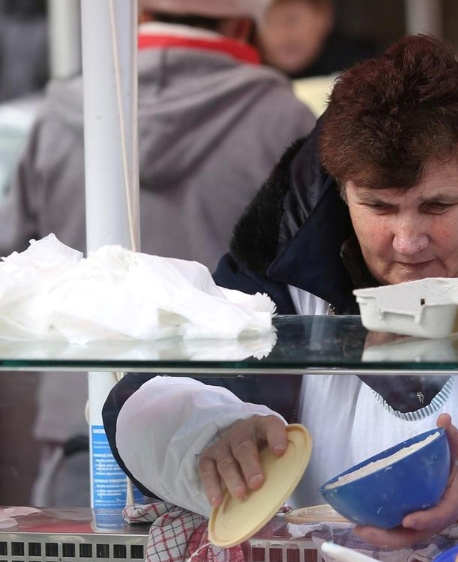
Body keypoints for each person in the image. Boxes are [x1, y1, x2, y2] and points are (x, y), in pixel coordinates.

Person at [102, 35, 458, 549]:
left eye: (439, 206)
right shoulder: (284, 248)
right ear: (341, 191)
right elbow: (151, 392)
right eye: (378, 206)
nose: (408, 241)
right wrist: (211, 434)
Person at [0, 0, 316, 506]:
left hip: (81, 423)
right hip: (235, 443)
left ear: (137, 17)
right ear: (242, 24)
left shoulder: (58, 116)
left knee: (75, 559)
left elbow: (16, 261)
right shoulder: (284, 120)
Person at [256, 0, 375, 79]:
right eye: (268, 22)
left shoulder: (367, 68)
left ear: (324, 16)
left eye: (292, 19)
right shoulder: (252, 80)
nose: (283, 33)